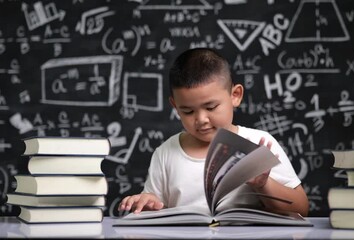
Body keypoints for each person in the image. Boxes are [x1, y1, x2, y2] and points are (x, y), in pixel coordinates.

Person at [118, 48, 309, 217]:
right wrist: (147, 204)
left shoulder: (259, 142)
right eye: (187, 111)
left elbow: (302, 209)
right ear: (175, 106)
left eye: (211, 107)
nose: (201, 119)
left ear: (235, 96)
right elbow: (155, 208)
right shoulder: (165, 153)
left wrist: (263, 184)